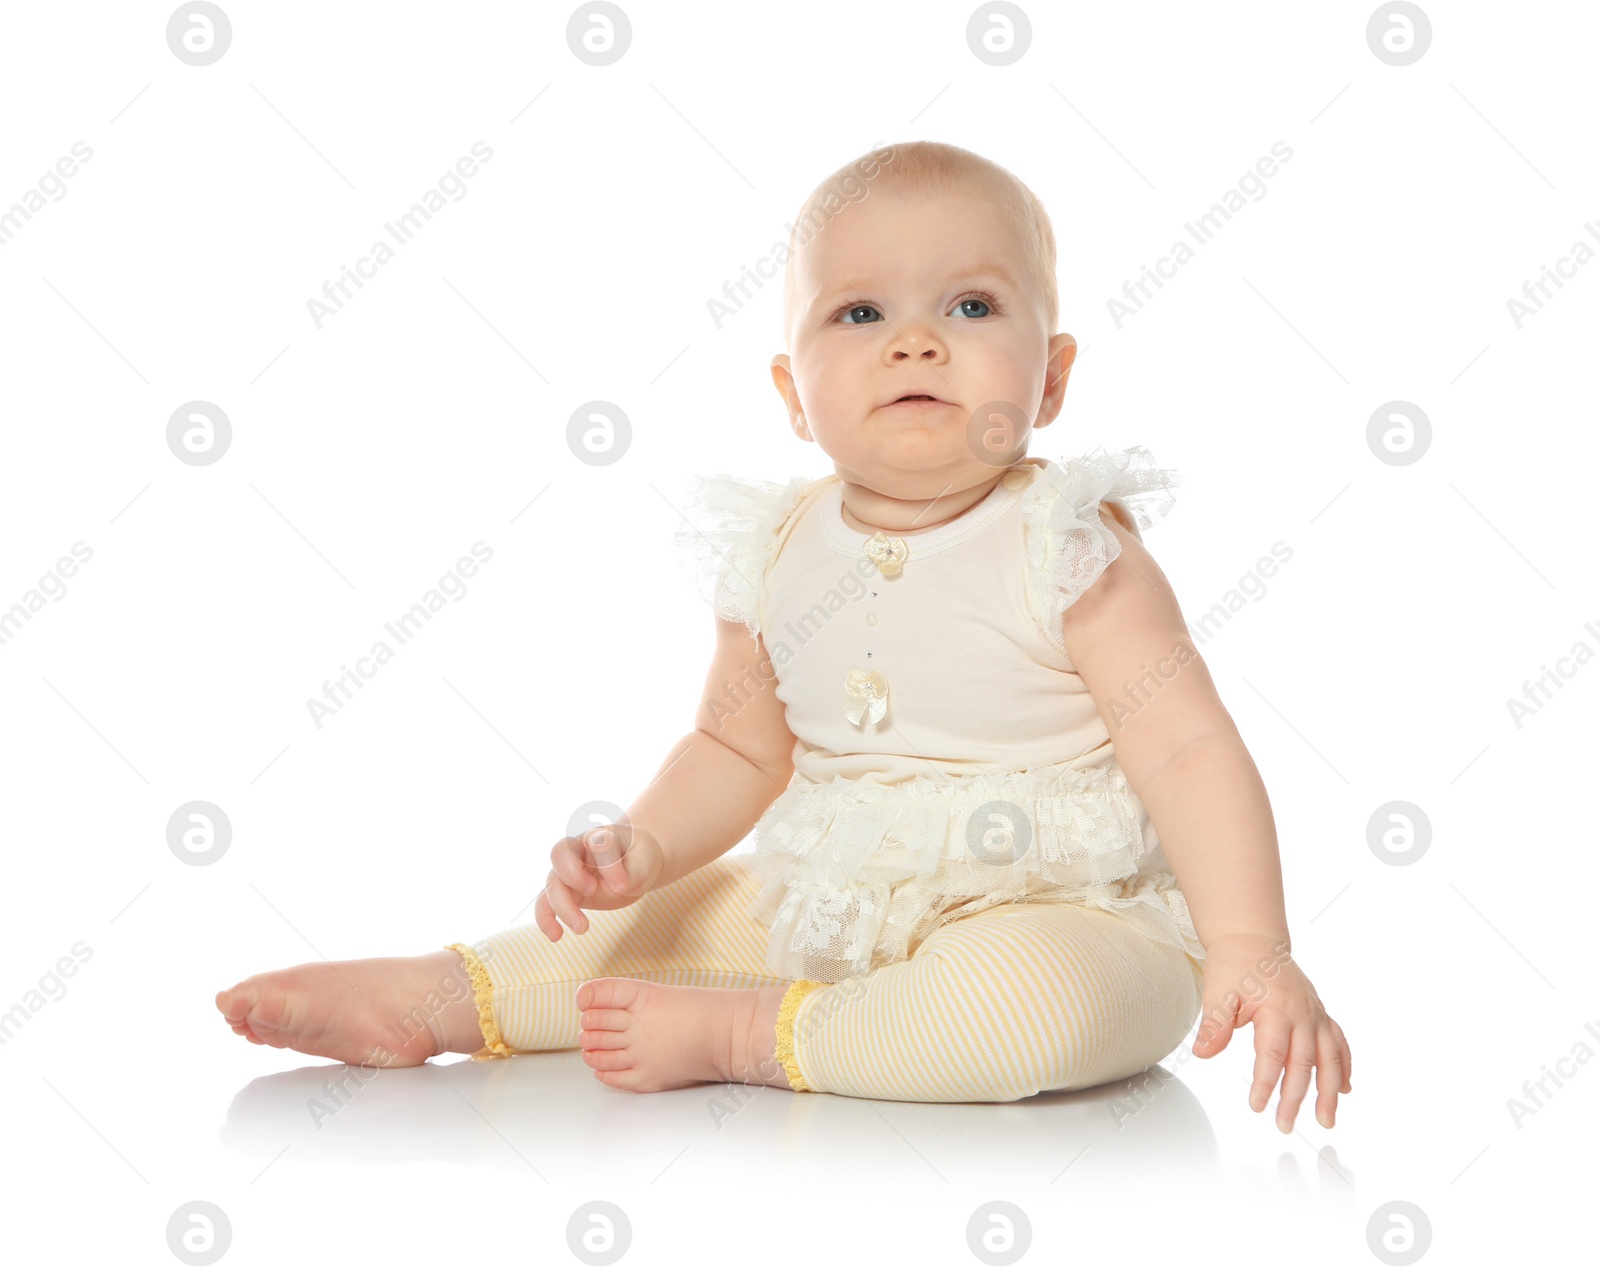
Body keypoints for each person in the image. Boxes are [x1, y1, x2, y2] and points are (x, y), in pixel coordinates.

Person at [216, 140, 1351, 1126]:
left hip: (1061, 909)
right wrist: (644, 849)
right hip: (834, 900)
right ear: (792, 395)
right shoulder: (775, 548)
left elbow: (1185, 749)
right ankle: (441, 997)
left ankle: (756, 1037)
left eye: (970, 306)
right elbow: (737, 750)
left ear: (1050, 377)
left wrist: (1251, 945)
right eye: (861, 313)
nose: (915, 343)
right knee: (668, 925)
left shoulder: (1065, 542)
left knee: (1034, 1010)